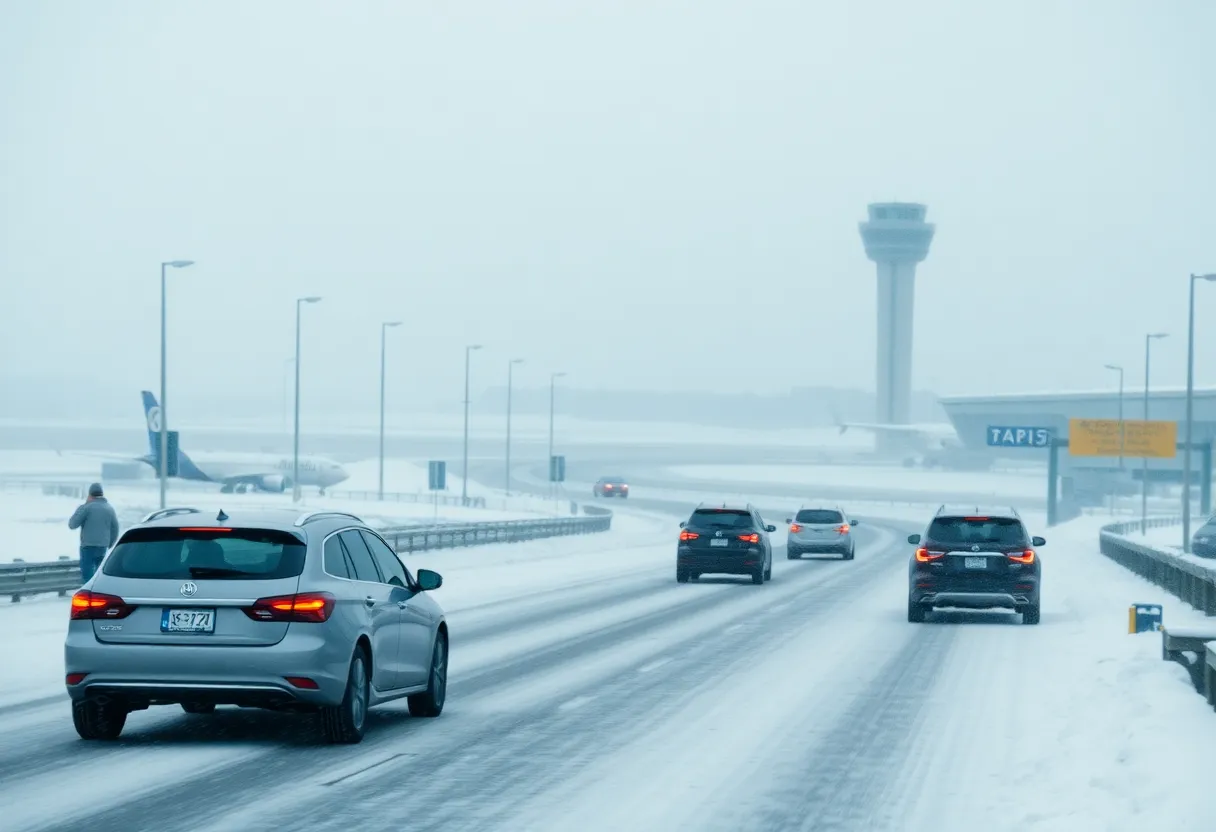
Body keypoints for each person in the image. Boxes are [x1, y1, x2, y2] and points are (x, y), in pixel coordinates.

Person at [68, 482, 120, 583]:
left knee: (87, 577)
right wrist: (109, 544)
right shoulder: (109, 509)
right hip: (103, 547)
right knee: (99, 577)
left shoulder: (87, 508)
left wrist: (81, 507)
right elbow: (115, 529)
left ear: (90, 494)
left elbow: (72, 524)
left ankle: (88, 596)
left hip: (88, 547)